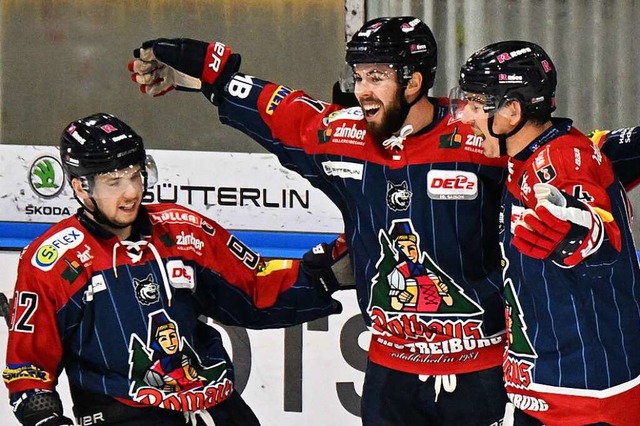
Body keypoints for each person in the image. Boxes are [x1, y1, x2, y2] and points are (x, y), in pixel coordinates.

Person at [129, 17, 511, 425]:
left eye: (376, 77)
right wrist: (214, 81)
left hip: (476, 368)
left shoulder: (481, 135)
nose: (362, 91)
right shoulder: (346, 136)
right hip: (390, 372)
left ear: (413, 82)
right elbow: (286, 114)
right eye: (359, 76)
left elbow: (545, 151)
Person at [2, 112, 347, 426]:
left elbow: (255, 289)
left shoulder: (182, 229)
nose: (131, 192)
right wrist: (46, 420)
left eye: (136, 176)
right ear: (81, 187)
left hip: (214, 405)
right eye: (113, 182)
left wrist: (324, 276)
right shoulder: (53, 261)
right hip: (126, 416)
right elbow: (28, 371)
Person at [452, 40, 640, 426]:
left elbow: (597, 232)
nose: (465, 116)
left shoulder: (558, 163)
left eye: (475, 102)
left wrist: (582, 232)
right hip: (548, 390)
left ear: (512, 110)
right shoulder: (529, 155)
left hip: (587, 400)